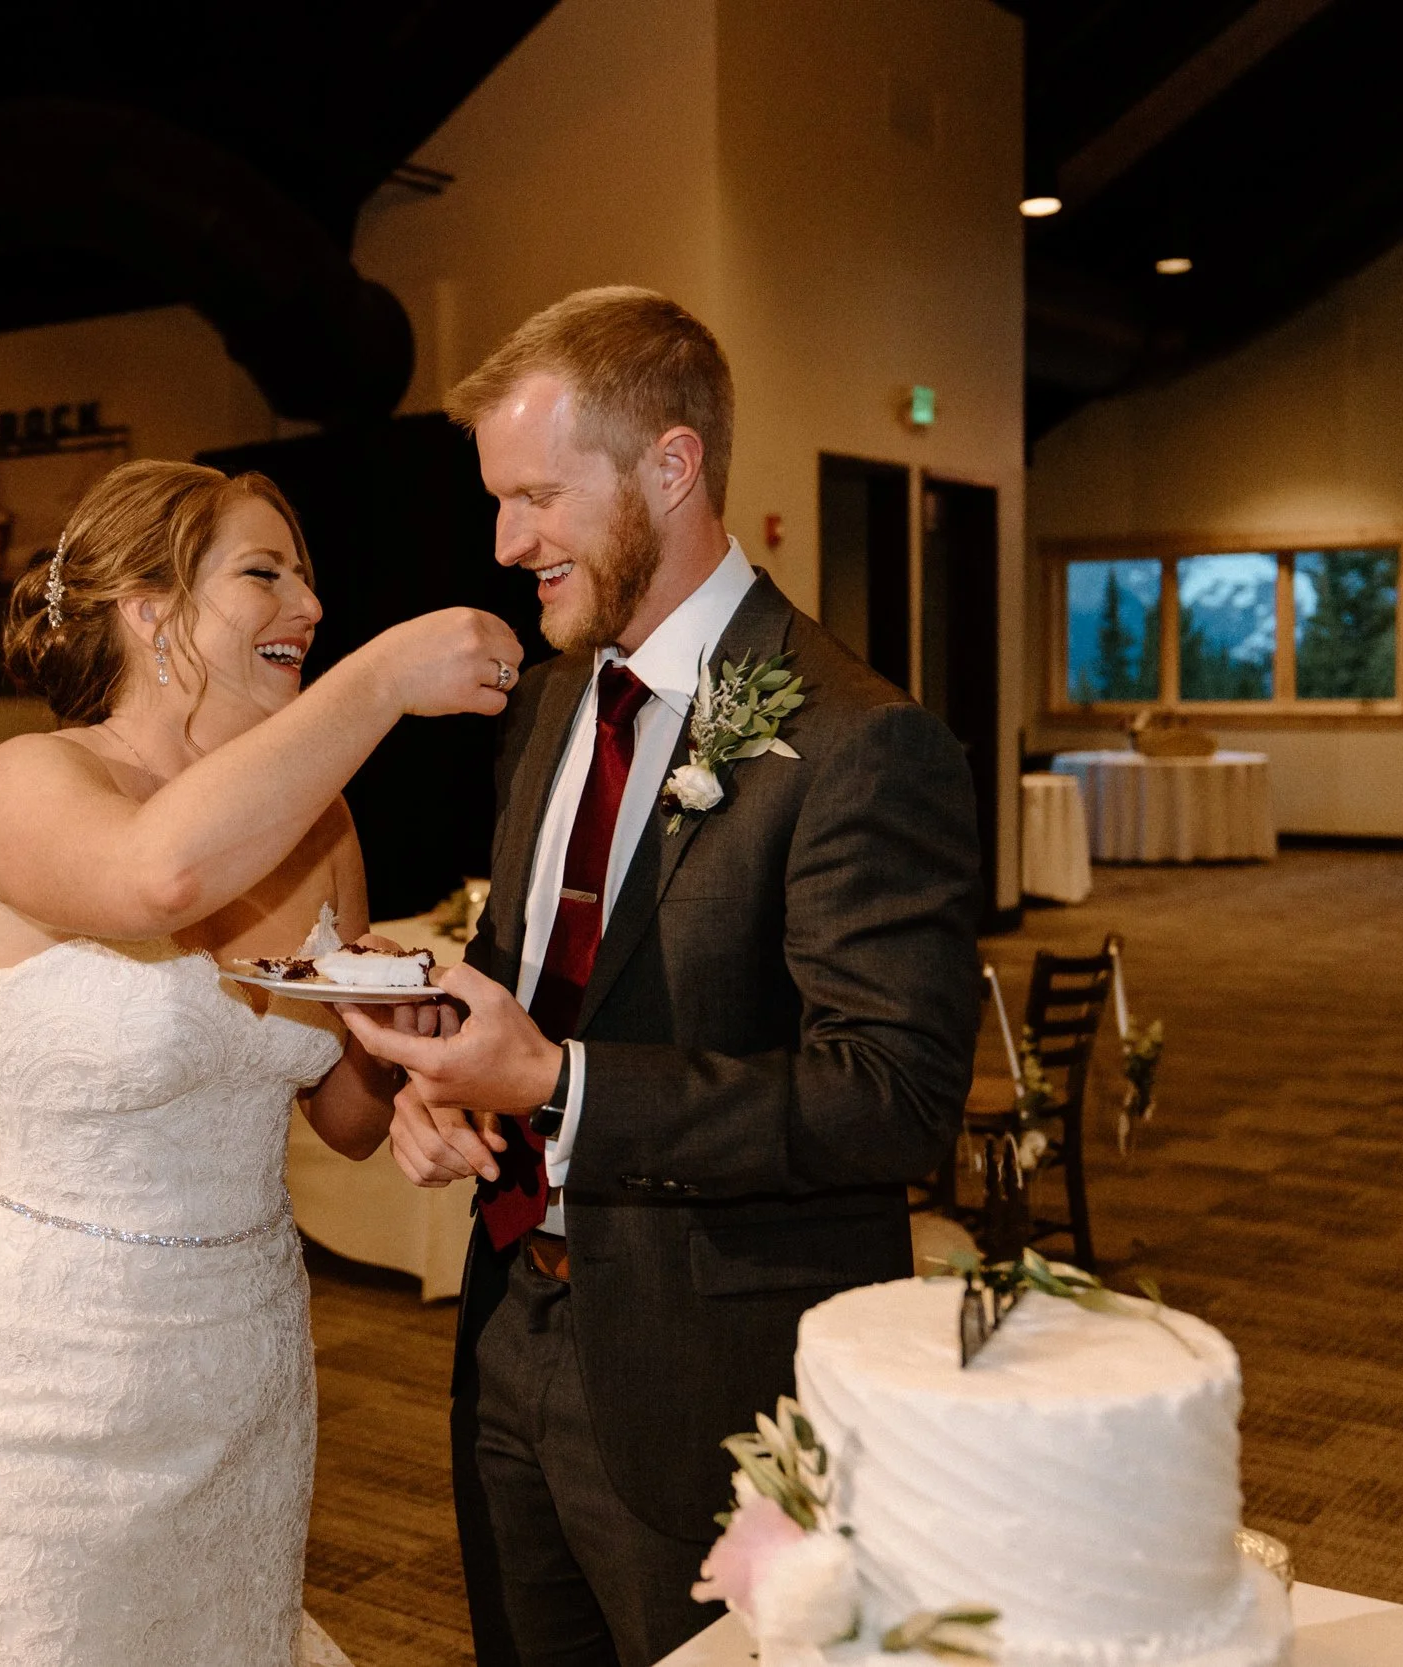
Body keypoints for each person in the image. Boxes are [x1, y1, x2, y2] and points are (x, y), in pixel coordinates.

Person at [343, 288, 983, 1667]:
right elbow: (534, 978)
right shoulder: (551, 701)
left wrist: (560, 1083)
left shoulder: (860, 737)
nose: (506, 542)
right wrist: (445, 1083)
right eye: (498, 501)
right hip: (505, 1327)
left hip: (710, 1379)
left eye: (535, 497)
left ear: (671, 465)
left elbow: (892, 1097)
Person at [0, 457, 521, 1667]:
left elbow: (342, 1117)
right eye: (263, 573)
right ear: (150, 609)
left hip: (242, 1351)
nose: (308, 604)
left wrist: (398, 1038)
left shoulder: (319, 822)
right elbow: (158, 875)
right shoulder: (31, 779)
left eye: (308, 576)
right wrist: (383, 678)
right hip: (39, 1362)